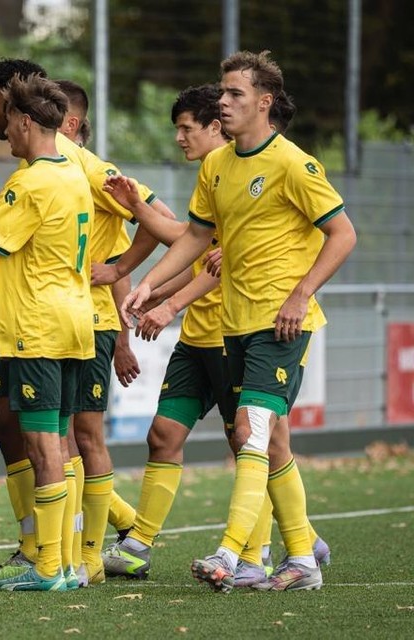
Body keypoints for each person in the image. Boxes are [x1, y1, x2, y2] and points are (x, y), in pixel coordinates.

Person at [120, 50, 356, 593]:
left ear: (264, 103)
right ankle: (302, 557)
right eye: (222, 94)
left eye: (234, 95)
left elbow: (343, 234)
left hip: (282, 323)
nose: (222, 102)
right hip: (235, 323)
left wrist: (300, 294)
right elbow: (198, 238)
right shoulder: (217, 166)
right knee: (268, 442)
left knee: (250, 433)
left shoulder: (294, 164)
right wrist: (151, 286)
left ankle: (234, 555)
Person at [0, 60, 176, 590]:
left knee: (71, 437)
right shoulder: (43, 171)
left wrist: (122, 272)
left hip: (78, 317)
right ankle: (55, 547)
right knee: (22, 428)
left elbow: (163, 221)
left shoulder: (82, 165)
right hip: (51, 313)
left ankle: (72, 554)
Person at [0, 73, 95, 591]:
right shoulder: (72, 174)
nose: (4, 132)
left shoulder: (29, 182)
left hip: (38, 327)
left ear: (27, 120)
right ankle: (68, 562)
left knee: (42, 443)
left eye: (8, 120)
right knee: (63, 443)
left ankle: (48, 566)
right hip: (75, 319)